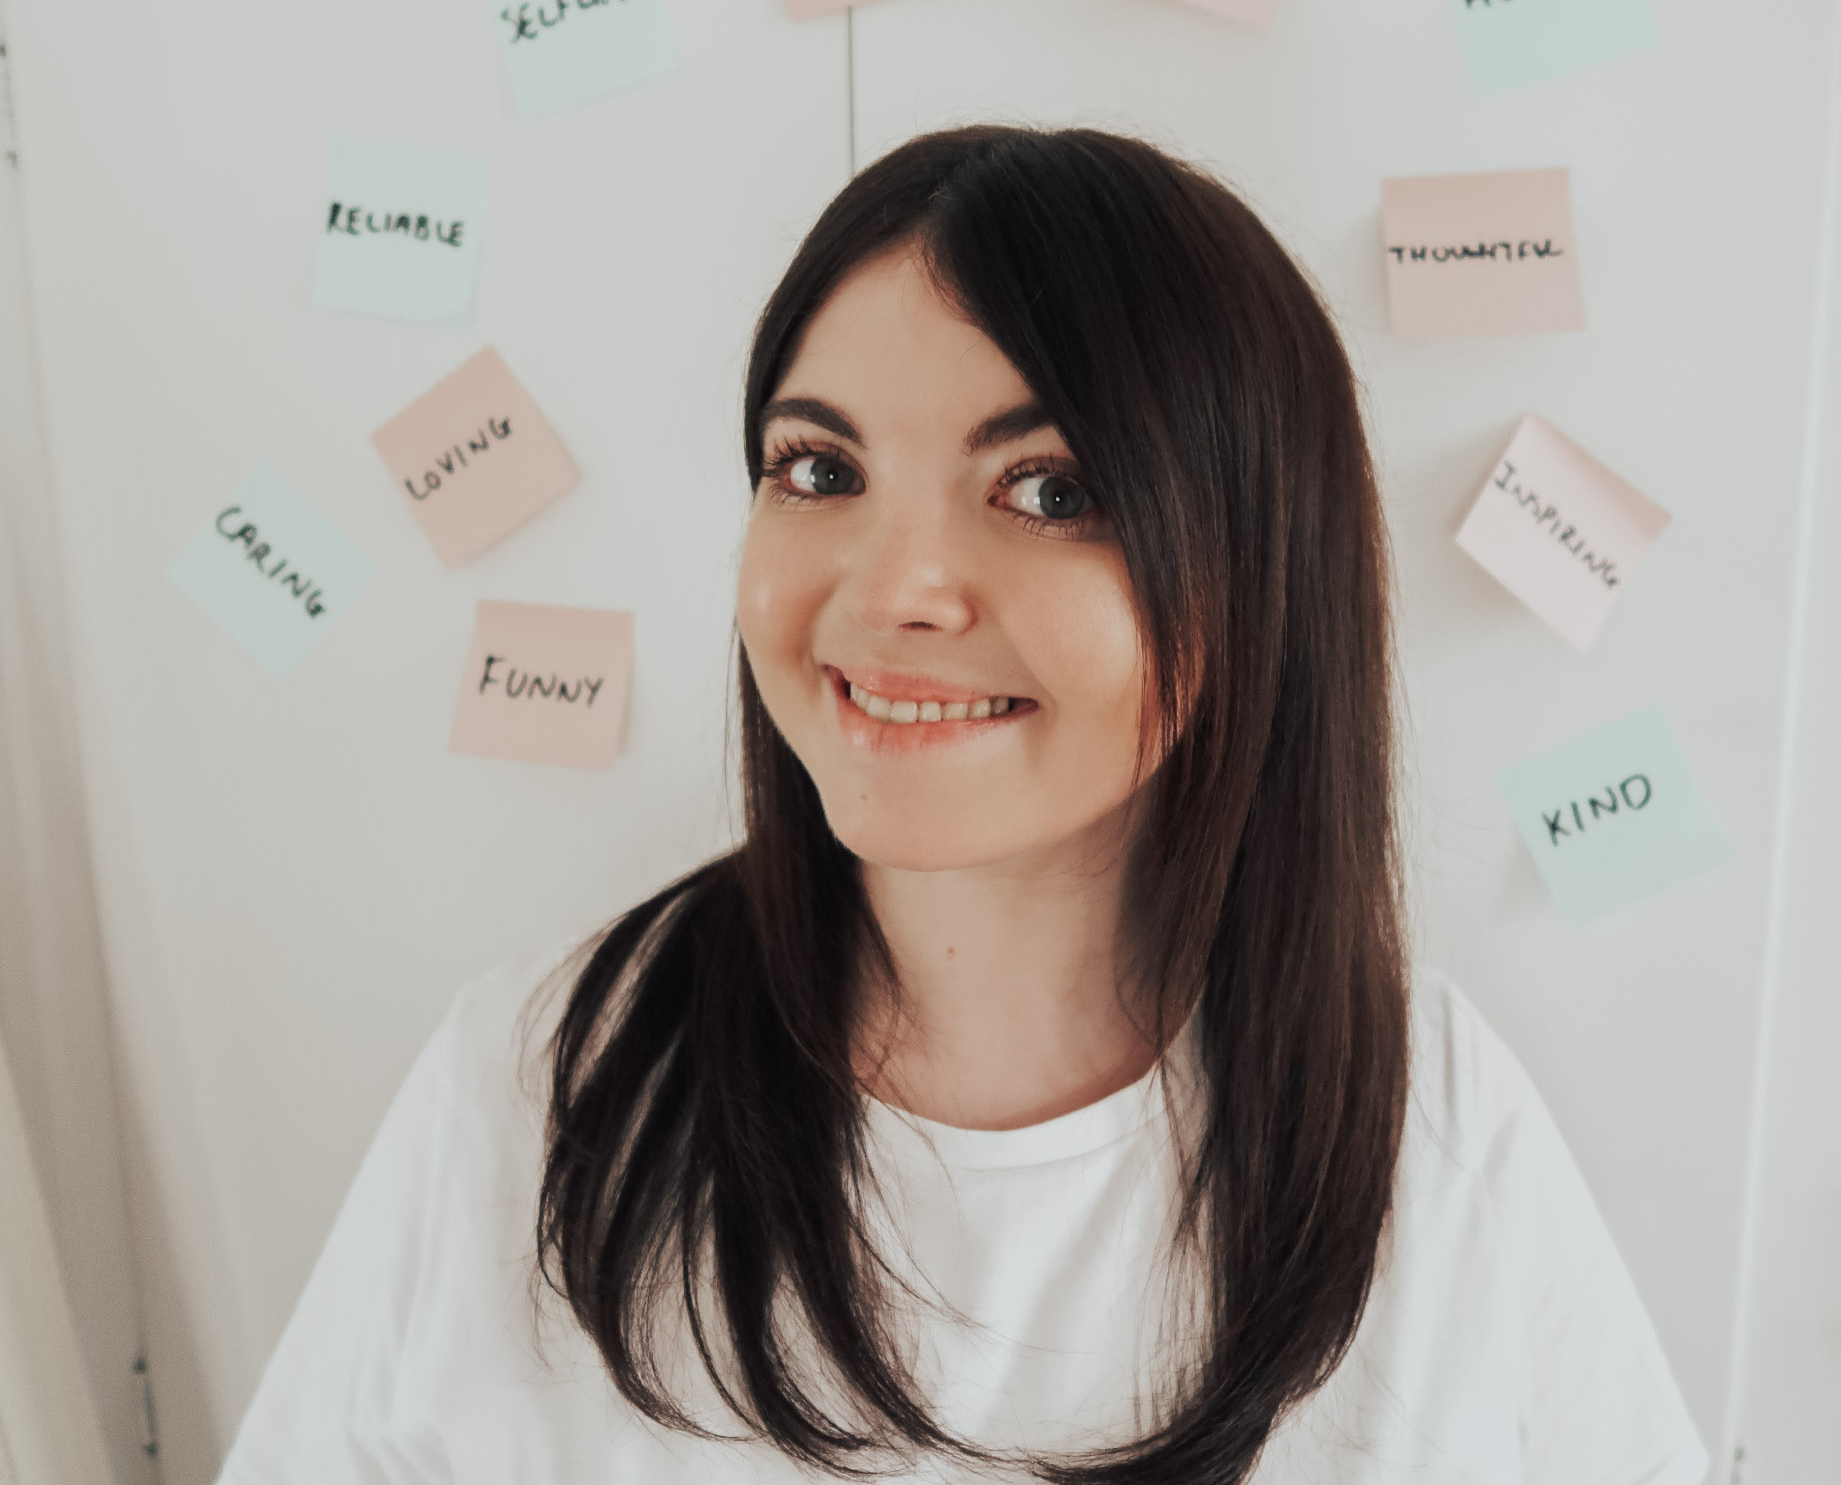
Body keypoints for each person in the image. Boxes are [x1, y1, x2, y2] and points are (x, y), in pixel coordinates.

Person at [218, 127, 1707, 1483]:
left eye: (1050, 489)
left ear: (1256, 569)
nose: (887, 592)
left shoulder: (1432, 1134)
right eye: (817, 468)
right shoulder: (543, 1084)